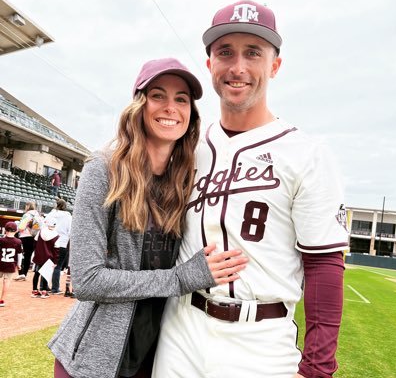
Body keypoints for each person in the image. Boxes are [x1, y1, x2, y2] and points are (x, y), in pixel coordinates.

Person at [152, 0, 349, 378]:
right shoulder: (185, 145)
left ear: (274, 65)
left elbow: (324, 265)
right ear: (210, 65)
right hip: (180, 329)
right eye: (225, 52)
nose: (237, 67)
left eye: (253, 53)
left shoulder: (307, 154)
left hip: (261, 339)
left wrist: (318, 369)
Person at [48, 57, 248, 378]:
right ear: (139, 105)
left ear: (190, 114)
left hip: (161, 355)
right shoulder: (103, 169)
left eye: (181, 99)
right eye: (158, 95)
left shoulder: (187, 179)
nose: (171, 107)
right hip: (96, 359)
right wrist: (182, 278)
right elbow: (86, 280)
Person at [46, 198, 72, 294]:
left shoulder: (50, 214)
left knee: (47, 265)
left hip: (50, 241)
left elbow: (45, 226)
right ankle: (55, 288)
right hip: (62, 242)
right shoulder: (68, 216)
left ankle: (43, 287)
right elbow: (70, 231)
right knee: (58, 266)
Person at [31, 218, 59, 299]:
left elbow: (35, 242)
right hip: (49, 258)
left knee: (36, 274)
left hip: (39, 255)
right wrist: (55, 261)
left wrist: (36, 252)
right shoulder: (56, 235)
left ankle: (34, 291)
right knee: (45, 274)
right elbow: (56, 250)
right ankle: (44, 292)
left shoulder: (41, 231)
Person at [14, 201, 42, 281]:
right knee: (28, 256)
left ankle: (21, 273)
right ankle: (24, 274)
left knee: (21, 254)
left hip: (25, 237)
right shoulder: (38, 215)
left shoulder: (27, 215)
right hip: (34, 237)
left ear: (27, 206)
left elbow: (21, 227)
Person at [0, 222, 23, 307]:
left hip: (0, 263)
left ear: (5, 230)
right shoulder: (18, 241)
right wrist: (19, 264)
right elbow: (20, 255)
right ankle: (2, 300)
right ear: (16, 231)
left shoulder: (1, 240)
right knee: (6, 282)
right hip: (10, 264)